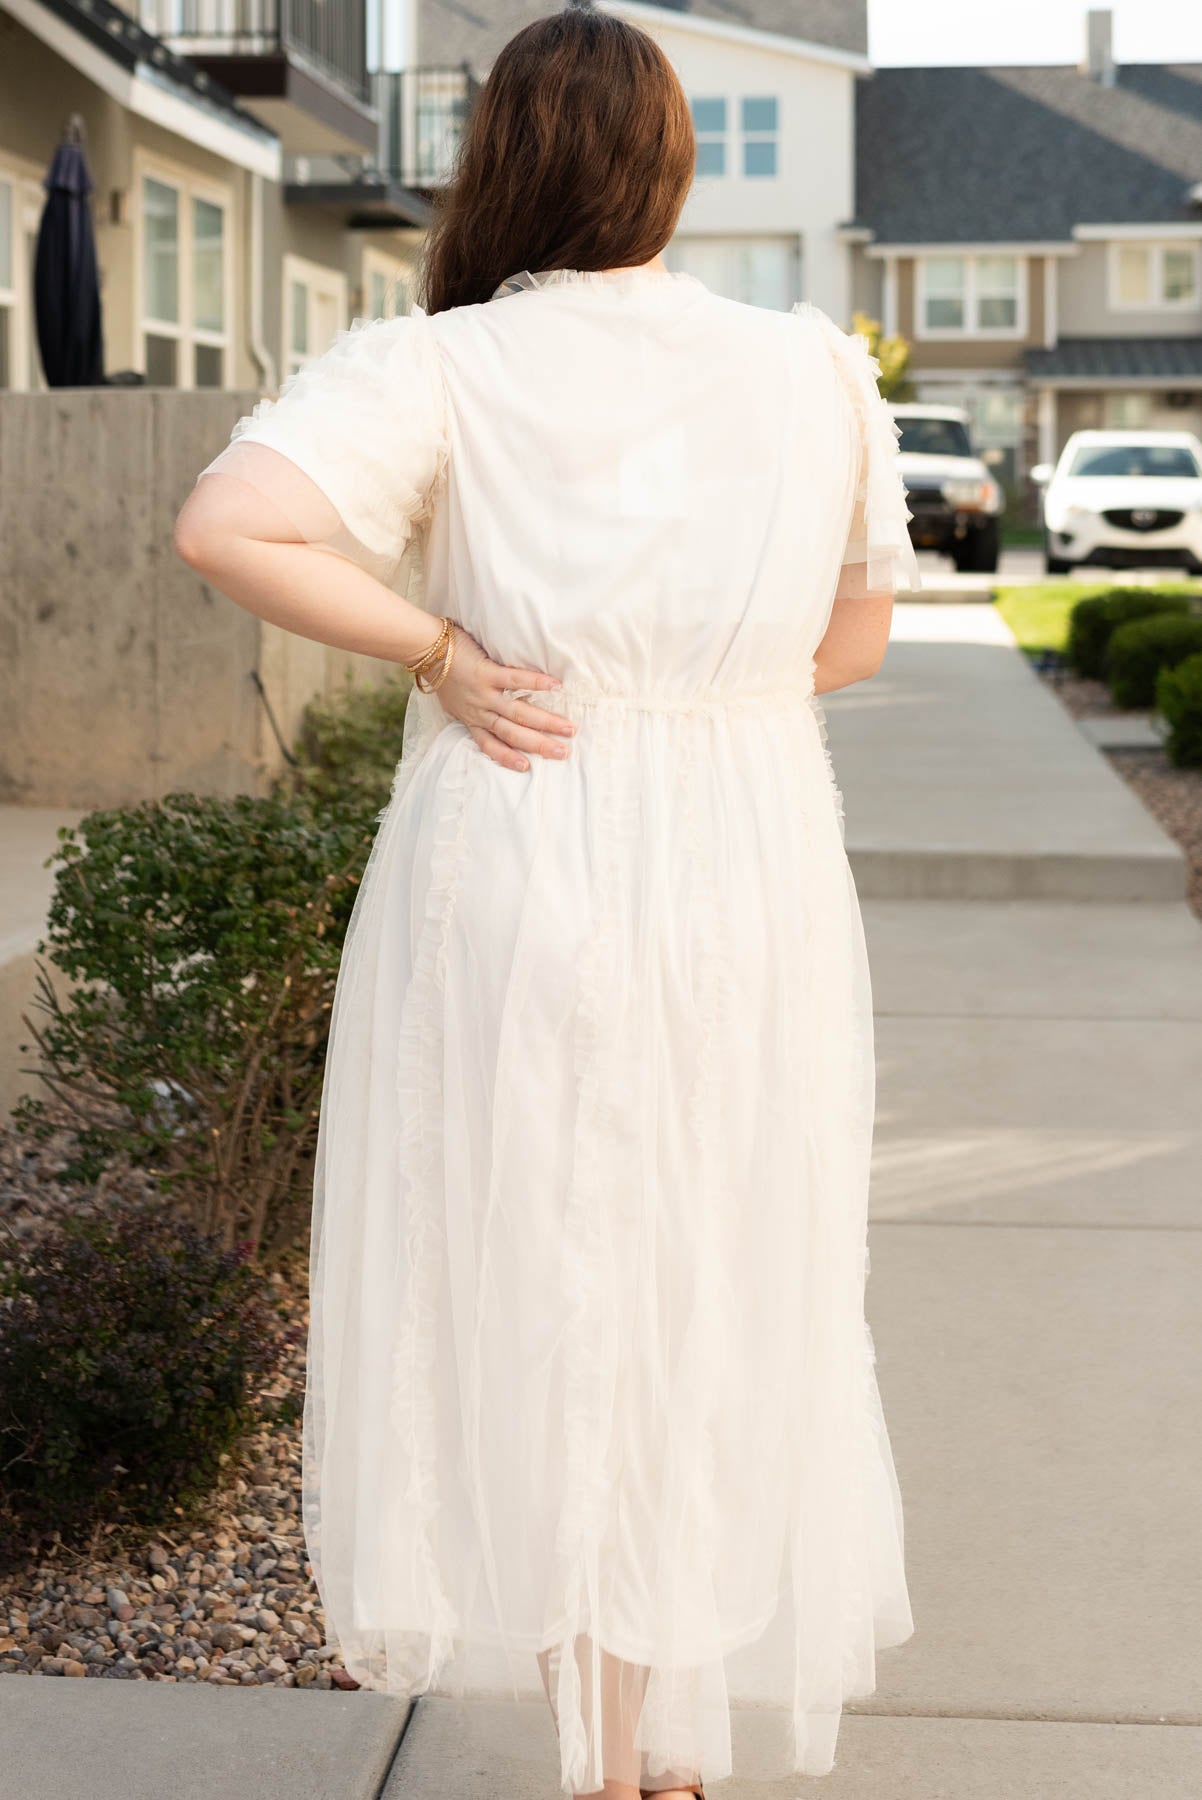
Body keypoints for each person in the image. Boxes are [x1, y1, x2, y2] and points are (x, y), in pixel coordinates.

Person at [173, 8, 919, 1795]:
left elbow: (229, 527)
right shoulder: (812, 369)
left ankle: (604, 1751)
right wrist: (698, 706)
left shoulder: (440, 365)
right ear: (666, 164)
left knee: (548, 1268)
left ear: (496, 160)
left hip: (523, 820)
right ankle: (667, 1741)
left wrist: (445, 647)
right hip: (747, 858)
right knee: (716, 1266)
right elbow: (857, 633)